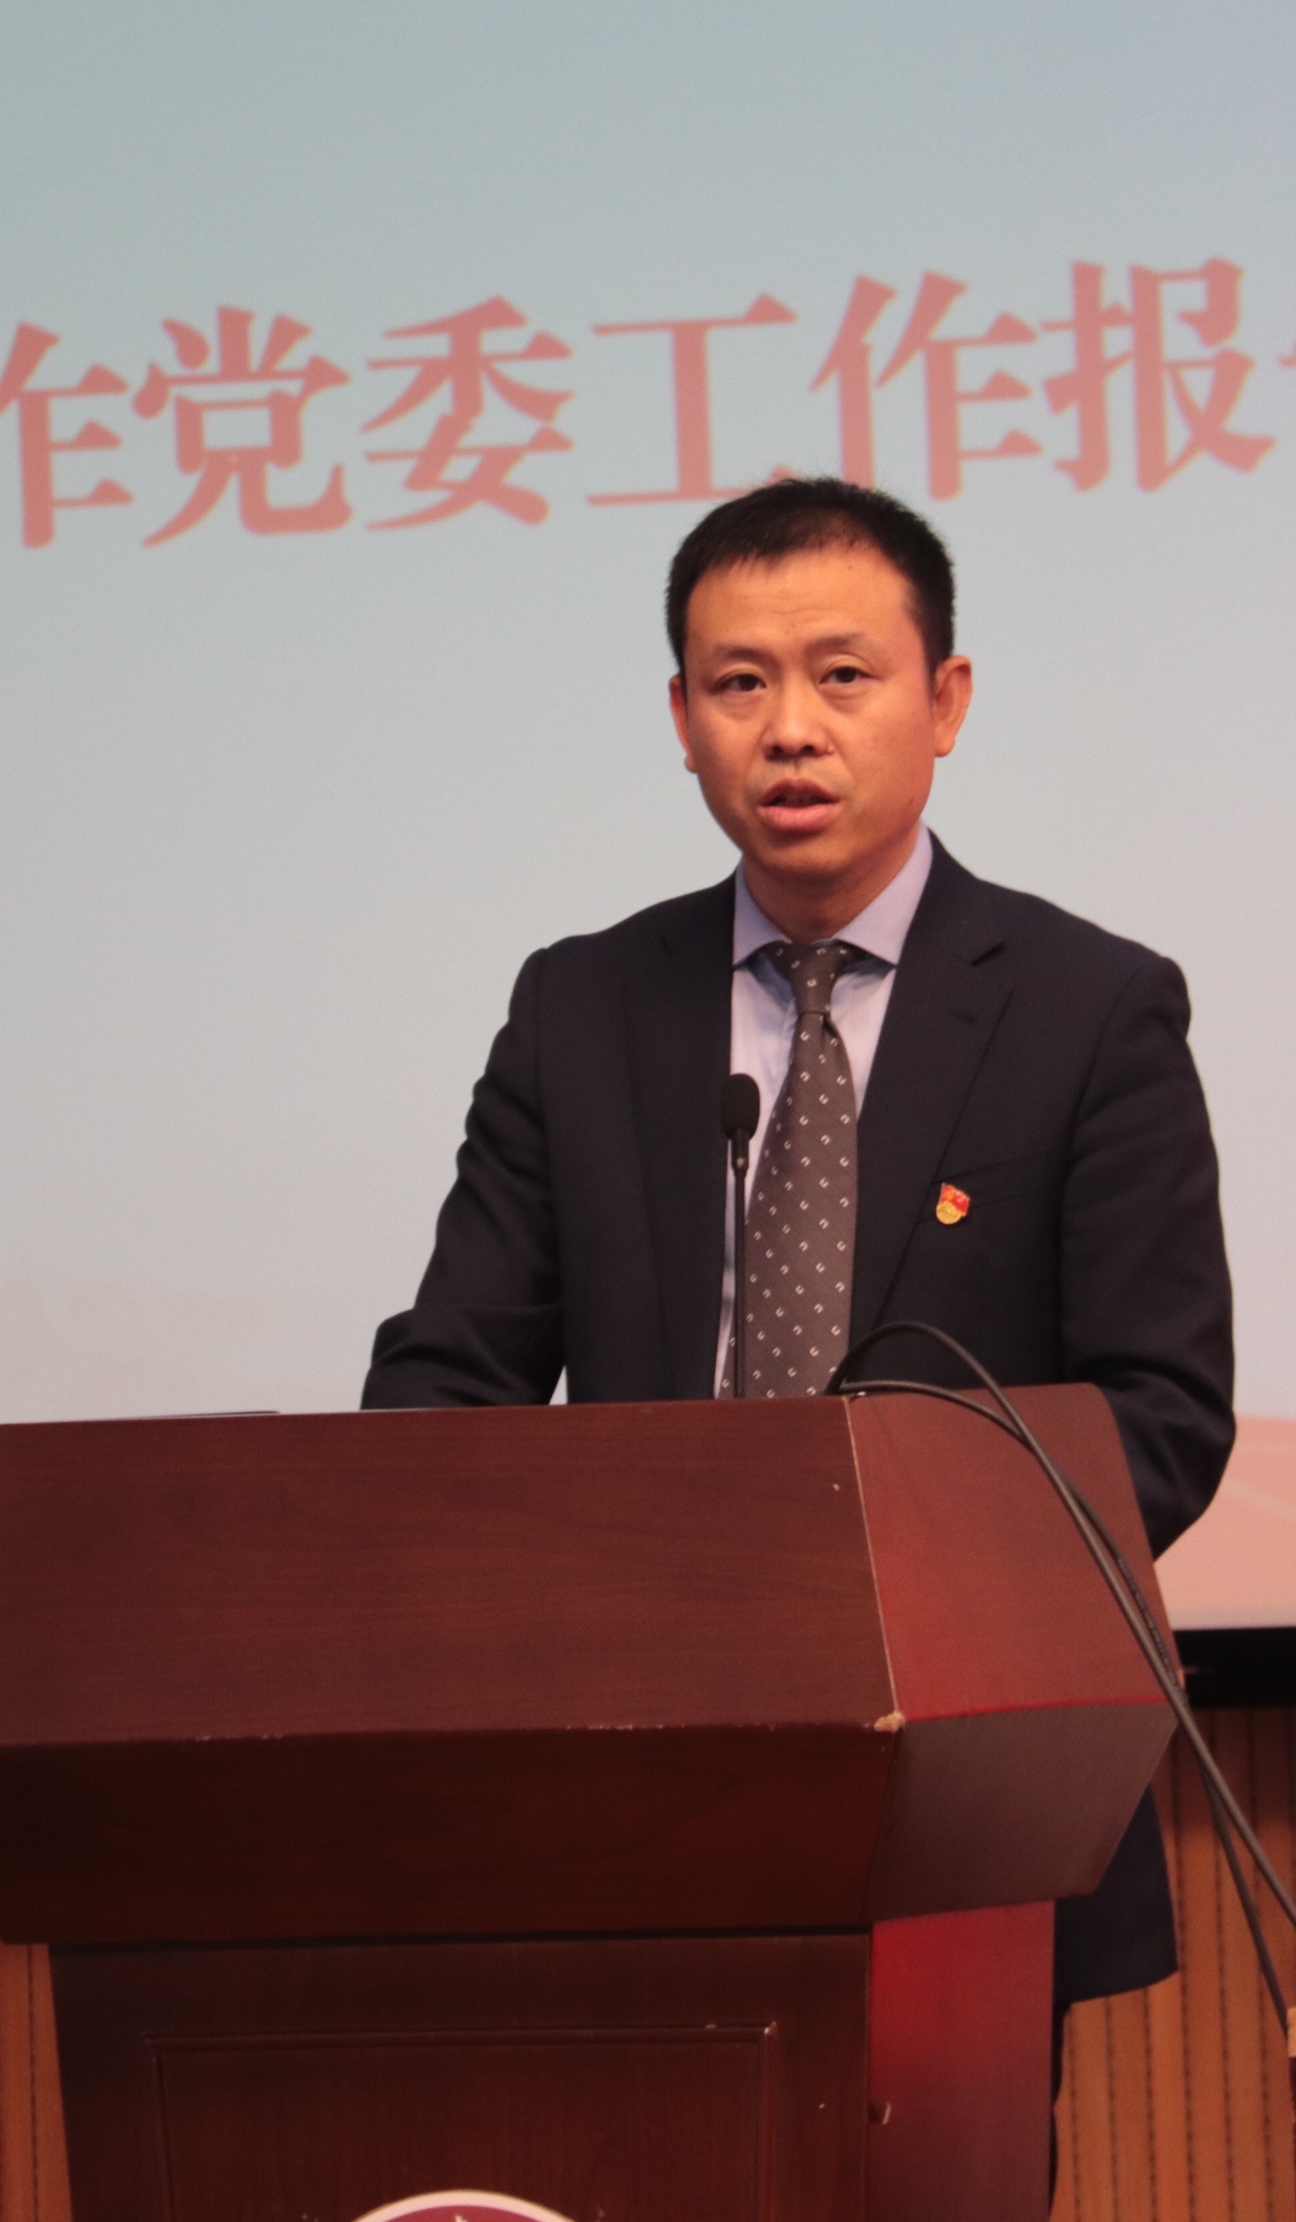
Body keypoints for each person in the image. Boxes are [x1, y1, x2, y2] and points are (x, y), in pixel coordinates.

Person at [362, 475, 1235, 2028]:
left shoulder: (1089, 1007)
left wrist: (848, 1583)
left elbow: (1158, 1416)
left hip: (963, 1769)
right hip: (628, 1764)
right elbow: (453, 1376)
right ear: (682, 718)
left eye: (843, 675)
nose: (791, 731)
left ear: (944, 701)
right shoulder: (583, 1007)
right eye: (739, 685)